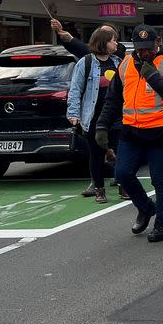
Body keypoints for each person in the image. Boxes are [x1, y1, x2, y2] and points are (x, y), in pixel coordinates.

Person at [96, 24, 163, 242]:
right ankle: (146, 208)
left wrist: (153, 77)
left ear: (158, 43)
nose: (145, 52)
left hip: (160, 131)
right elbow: (113, 99)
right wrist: (102, 125)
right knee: (123, 174)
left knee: (160, 180)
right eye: (140, 48)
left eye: (149, 48)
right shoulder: (125, 64)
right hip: (132, 130)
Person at [67, 27, 124, 203]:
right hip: (93, 117)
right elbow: (75, 90)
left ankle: (124, 187)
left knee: (122, 153)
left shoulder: (118, 62)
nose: (116, 43)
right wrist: (73, 113)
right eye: (113, 40)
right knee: (96, 155)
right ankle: (99, 189)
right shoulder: (85, 63)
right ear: (103, 42)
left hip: (116, 117)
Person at [51, 18, 126, 59]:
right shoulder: (86, 62)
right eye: (101, 33)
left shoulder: (119, 57)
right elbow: (82, 50)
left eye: (107, 34)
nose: (103, 36)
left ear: (115, 39)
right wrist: (59, 31)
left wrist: (71, 39)